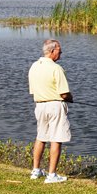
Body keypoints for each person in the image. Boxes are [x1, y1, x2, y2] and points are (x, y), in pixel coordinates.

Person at [28, 39, 73, 183]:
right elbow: (64, 93)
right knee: (56, 139)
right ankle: (52, 175)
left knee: (41, 137)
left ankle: (35, 171)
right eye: (60, 50)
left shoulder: (34, 66)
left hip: (39, 106)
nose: (61, 53)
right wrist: (70, 98)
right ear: (52, 51)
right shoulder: (56, 68)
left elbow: (33, 90)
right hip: (55, 106)